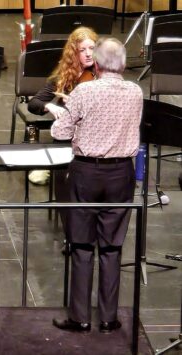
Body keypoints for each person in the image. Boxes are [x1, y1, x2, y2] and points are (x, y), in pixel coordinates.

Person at [51, 38, 143, 333]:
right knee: (112, 247)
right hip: (121, 175)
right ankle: (108, 318)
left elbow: (60, 131)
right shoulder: (136, 91)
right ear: (125, 65)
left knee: (81, 246)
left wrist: (74, 123)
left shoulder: (85, 90)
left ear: (98, 64)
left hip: (87, 173)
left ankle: (80, 317)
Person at [27, 26, 98, 186]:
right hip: (68, 136)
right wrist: (50, 107)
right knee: (38, 178)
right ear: (74, 53)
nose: (88, 54)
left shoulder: (102, 74)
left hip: (93, 137)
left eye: (92, 48)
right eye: (82, 50)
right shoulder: (64, 77)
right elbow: (33, 104)